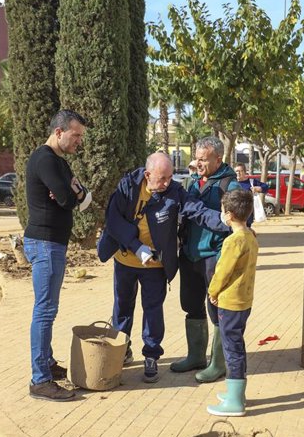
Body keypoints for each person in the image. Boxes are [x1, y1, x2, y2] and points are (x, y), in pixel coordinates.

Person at [97, 152, 229, 383]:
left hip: (155, 266)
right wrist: (137, 248)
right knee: (122, 307)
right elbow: (114, 221)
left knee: (153, 310)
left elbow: (197, 211)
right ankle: (121, 348)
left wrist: (228, 221)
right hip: (126, 260)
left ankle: (151, 355)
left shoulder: (174, 192)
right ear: (148, 175)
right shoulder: (127, 187)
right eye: (162, 179)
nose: (167, 183)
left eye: (169, 177)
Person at [24, 109, 92, 402]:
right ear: (59, 132)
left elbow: (82, 198)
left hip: (52, 244)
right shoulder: (45, 160)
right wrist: (70, 194)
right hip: (45, 243)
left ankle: (48, 365)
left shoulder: (59, 163)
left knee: (47, 309)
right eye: (76, 135)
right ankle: (40, 380)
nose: (79, 141)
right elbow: (67, 198)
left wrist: (73, 193)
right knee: (45, 311)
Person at [170, 136, 242, 383]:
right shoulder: (193, 182)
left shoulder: (230, 185)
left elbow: (238, 221)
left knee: (217, 310)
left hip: (214, 256)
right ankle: (196, 356)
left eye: (203, 159)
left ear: (218, 159)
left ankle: (218, 364)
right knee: (191, 305)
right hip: (190, 256)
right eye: (196, 158)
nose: (198, 163)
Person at [206, 189, 259, 416]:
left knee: (232, 348)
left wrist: (212, 290)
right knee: (236, 345)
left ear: (228, 215)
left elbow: (222, 271)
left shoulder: (233, 241)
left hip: (230, 302)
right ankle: (236, 392)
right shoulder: (251, 236)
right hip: (244, 300)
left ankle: (235, 402)